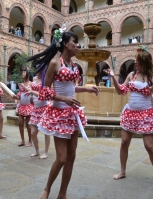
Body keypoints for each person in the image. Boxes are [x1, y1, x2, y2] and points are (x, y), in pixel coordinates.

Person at [26, 29, 99, 199]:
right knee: (61, 158)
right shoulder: (54, 63)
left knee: (72, 156)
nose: (78, 45)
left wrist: (87, 89)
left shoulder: (73, 66)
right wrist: (63, 99)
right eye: (75, 42)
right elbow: (45, 92)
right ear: (66, 44)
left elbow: (71, 88)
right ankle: (47, 189)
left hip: (71, 114)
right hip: (58, 113)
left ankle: (62, 193)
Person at [103, 46, 153, 189]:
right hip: (130, 112)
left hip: (145, 114)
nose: (135, 64)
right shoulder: (132, 75)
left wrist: (152, 92)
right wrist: (113, 77)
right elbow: (121, 91)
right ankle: (122, 171)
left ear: (145, 62)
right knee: (124, 142)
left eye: (137, 62)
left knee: (149, 146)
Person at [24, 72, 50, 159]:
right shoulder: (34, 79)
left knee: (46, 132)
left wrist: (32, 92)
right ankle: (37, 151)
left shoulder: (46, 79)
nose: (38, 70)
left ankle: (46, 152)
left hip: (44, 108)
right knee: (33, 132)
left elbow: (44, 96)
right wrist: (26, 89)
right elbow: (30, 90)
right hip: (35, 108)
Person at [12, 69, 33, 147]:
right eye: (22, 73)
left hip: (28, 106)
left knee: (28, 124)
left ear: (28, 74)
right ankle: (23, 140)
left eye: (24, 72)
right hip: (21, 105)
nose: (22, 74)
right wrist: (16, 97)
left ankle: (30, 141)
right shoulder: (21, 84)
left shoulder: (31, 84)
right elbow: (20, 95)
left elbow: (32, 92)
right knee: (20, 122)